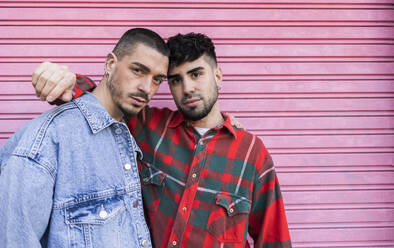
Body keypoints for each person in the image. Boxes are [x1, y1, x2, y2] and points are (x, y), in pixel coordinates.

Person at [32, 33, 292, 247]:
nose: (187, 88)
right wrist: (65, 81)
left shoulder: (251, 154)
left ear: (218, 77)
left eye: (197, 74)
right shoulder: (149, 126)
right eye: (175, 80)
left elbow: (273, 238)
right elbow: (106, 98)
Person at [0, 28, 169, 247]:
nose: (147, 88)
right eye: (137, 70)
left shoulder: (130, 131)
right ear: (110, 64)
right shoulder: (48, 137)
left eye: (157, 80)